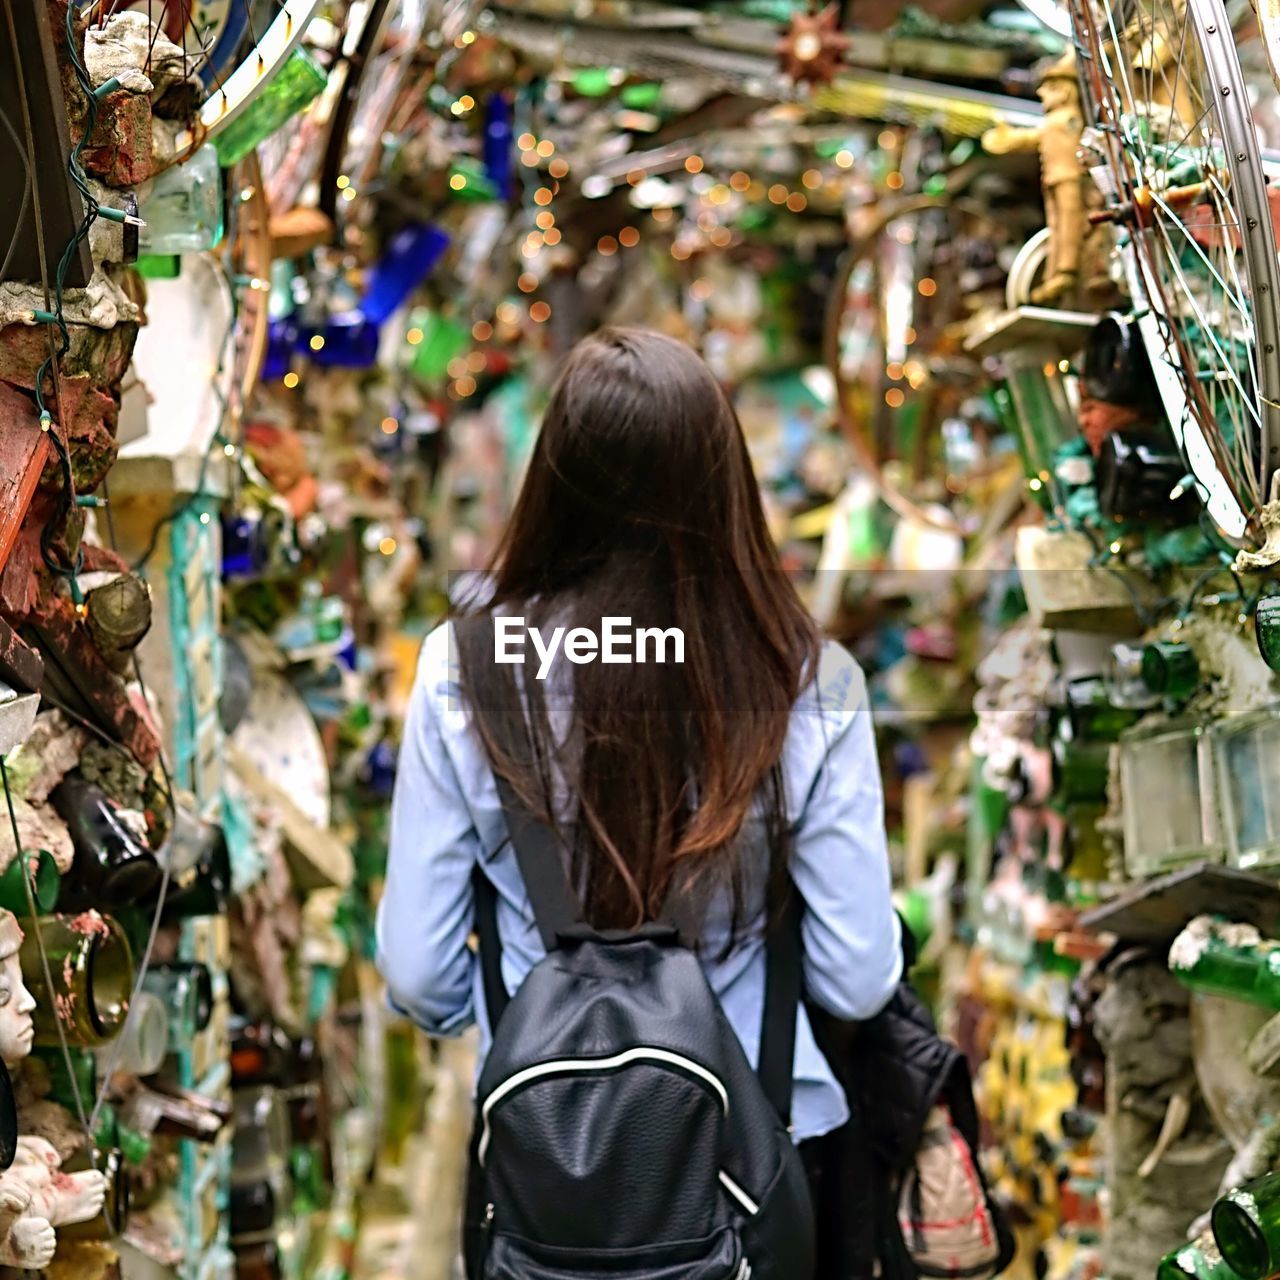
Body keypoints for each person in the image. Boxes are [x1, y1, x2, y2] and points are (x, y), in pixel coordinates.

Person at [376, 326, 902, 1225]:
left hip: (545, 1173)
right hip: (750, 1163)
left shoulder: (464, 670)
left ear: (553, 484)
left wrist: (532, 1010)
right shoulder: (808, 680)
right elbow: (857, 978)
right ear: (724, 490)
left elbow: (422, 978)